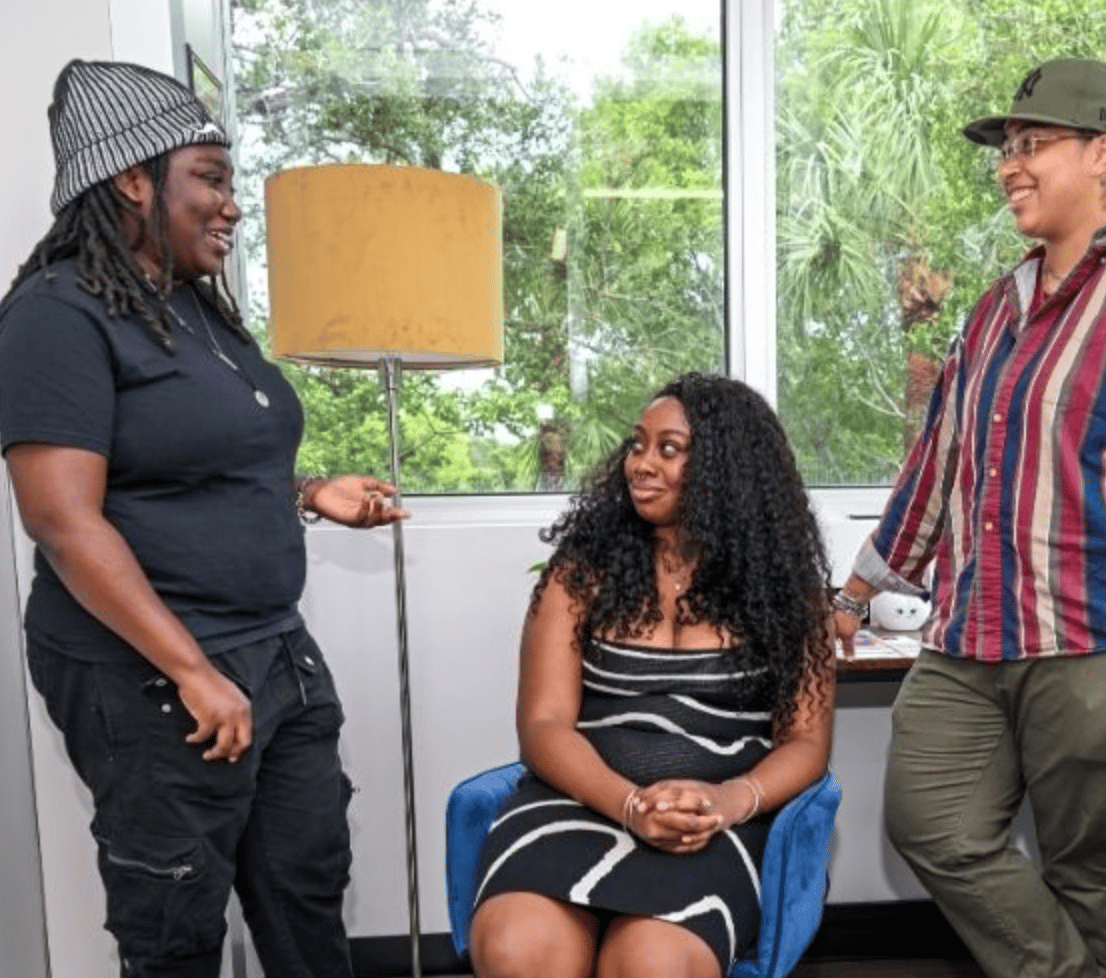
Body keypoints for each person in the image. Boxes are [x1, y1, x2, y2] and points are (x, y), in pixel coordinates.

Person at [0, 59, 408, 978]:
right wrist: (191, 670)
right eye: (211, 180)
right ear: (132, 180)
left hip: (274, 652)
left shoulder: (194, 308)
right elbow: (63, 523)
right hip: (152, 674)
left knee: (306, 889)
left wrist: (309, 494)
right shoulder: (56, 317)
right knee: (175, 916)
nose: (231, 206)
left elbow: (200, 457)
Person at [833, 58, 1106, 978]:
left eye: (1034, 144)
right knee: (931, 821)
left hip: (1090, 644)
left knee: (1091, 875)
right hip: (969, 635)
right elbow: (938, 465)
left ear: (1102, 154)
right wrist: (857, 587)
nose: (1009, 165)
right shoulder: (995, 309)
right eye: (1007, 149)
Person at [470, 373, 836, 978]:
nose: (640, 463)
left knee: (651, 963)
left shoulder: (785, 591)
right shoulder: (580, 574)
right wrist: (630, 804)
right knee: (519, 949)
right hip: (580, 802)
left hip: (709, 825)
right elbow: (542, 724)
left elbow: (806, 742)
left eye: (669, 449)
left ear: (726, 469)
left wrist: (728, 801)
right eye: (638, 445)